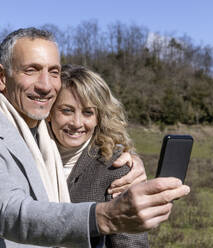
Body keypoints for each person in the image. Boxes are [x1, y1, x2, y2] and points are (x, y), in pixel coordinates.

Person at [0, 27, 190, 248]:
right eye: (31, 70)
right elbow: (10, 213)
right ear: (1, 76)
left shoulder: (36, 129)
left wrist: (128, 159)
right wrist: (105, 216)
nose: (44, 85)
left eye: (53, 72)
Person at [49, 64, 149, 247]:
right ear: (49, 111)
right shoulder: (28, 154)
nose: (77, 123)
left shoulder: (115, 168)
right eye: (67, 110)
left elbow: (132, 243)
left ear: (98, 117)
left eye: (88, 112)